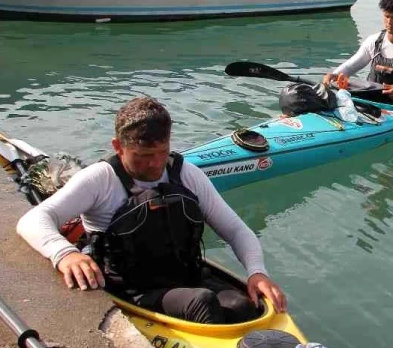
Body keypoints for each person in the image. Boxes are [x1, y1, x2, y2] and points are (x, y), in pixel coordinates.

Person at [16, 97, 286, 323]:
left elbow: (236, 229)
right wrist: (65, 254)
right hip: (133, 290)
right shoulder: (100, 179)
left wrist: (256, 272)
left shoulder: (185, 174)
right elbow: (33, 220)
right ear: (118, 147)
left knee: (244, 307)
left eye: (162, 151)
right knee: (201, 303)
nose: (155, 164)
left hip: (186, 278)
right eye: (143, 156)